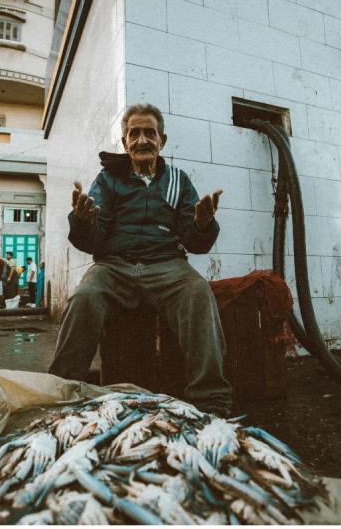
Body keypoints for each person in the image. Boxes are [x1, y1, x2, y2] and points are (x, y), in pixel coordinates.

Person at [47, 103, 232, 416]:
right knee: (83, 297)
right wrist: (83, 221)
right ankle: (61, 396)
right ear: (124, 142)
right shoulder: (108, 180)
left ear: (163, 140)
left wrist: (201, 224)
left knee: (198, 293)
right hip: (114, 265)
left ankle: (211, 401)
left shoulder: (178, 180)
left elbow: (194, 241)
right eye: (134, 133)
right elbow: (95, 238)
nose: (142, 139)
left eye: (150, 132)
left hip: (166, 264)